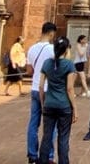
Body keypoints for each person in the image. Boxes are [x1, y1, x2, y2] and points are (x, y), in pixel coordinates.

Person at [39, 36, 77, 164]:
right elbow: (70, 88)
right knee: (63, 138)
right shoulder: (69, 65)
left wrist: (42, 103)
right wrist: (75, 108)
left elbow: (40, 86)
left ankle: (42, 161)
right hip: (64, 105)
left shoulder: (47, 63)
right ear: (66, 50)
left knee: (46, 137)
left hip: (49, 104)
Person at [27, 22, 58, 163]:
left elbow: (29, 71)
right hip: (48, 90)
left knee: (33, 123)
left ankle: (32, 156)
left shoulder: (32, 48)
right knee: (51, 124)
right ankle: (49, 156)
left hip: (34, 89)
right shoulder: (53, 50)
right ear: (51, 33)